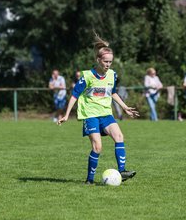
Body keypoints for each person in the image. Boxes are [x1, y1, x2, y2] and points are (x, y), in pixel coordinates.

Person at [57, 33, 139, 184]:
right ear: (98, 60)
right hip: (90, 115)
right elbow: (75, 94)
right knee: (97, 147)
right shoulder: (87, 76)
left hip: (106, 114)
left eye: (110, 62)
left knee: (119, 137)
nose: (108, 64)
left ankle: (122, 171)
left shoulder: (112, 75)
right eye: (105, 61)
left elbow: (113, 92)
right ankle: (89, 180)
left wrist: (125, 107)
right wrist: (67, 115)